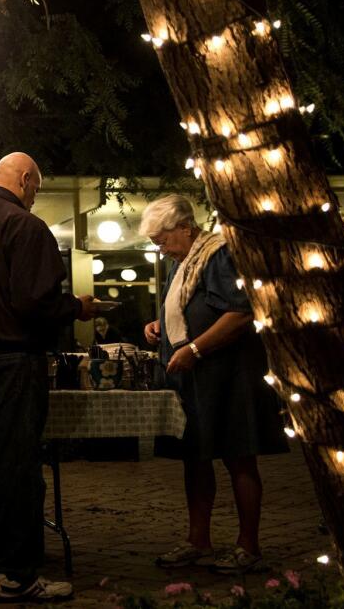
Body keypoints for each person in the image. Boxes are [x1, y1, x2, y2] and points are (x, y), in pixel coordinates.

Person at [0, 152, 95, 603]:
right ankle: (18, 574)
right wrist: (77, 307)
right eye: (36, 188)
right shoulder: (26, 227)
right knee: (17, 468)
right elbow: (35, 302)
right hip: (13, 360)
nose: (34, 197)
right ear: (26, 179)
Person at [140, 195, 287, 573]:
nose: (160, 248)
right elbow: (183, 308)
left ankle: (248, 545)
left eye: (162, 239)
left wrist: (195, 349)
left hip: (229, 374)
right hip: (195, 377)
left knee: (239, 455)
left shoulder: (217, 253)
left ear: (186, 227)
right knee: (195, 457)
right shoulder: (183, 261)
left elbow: (239, 313)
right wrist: (159, 327)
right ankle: (198, 540)